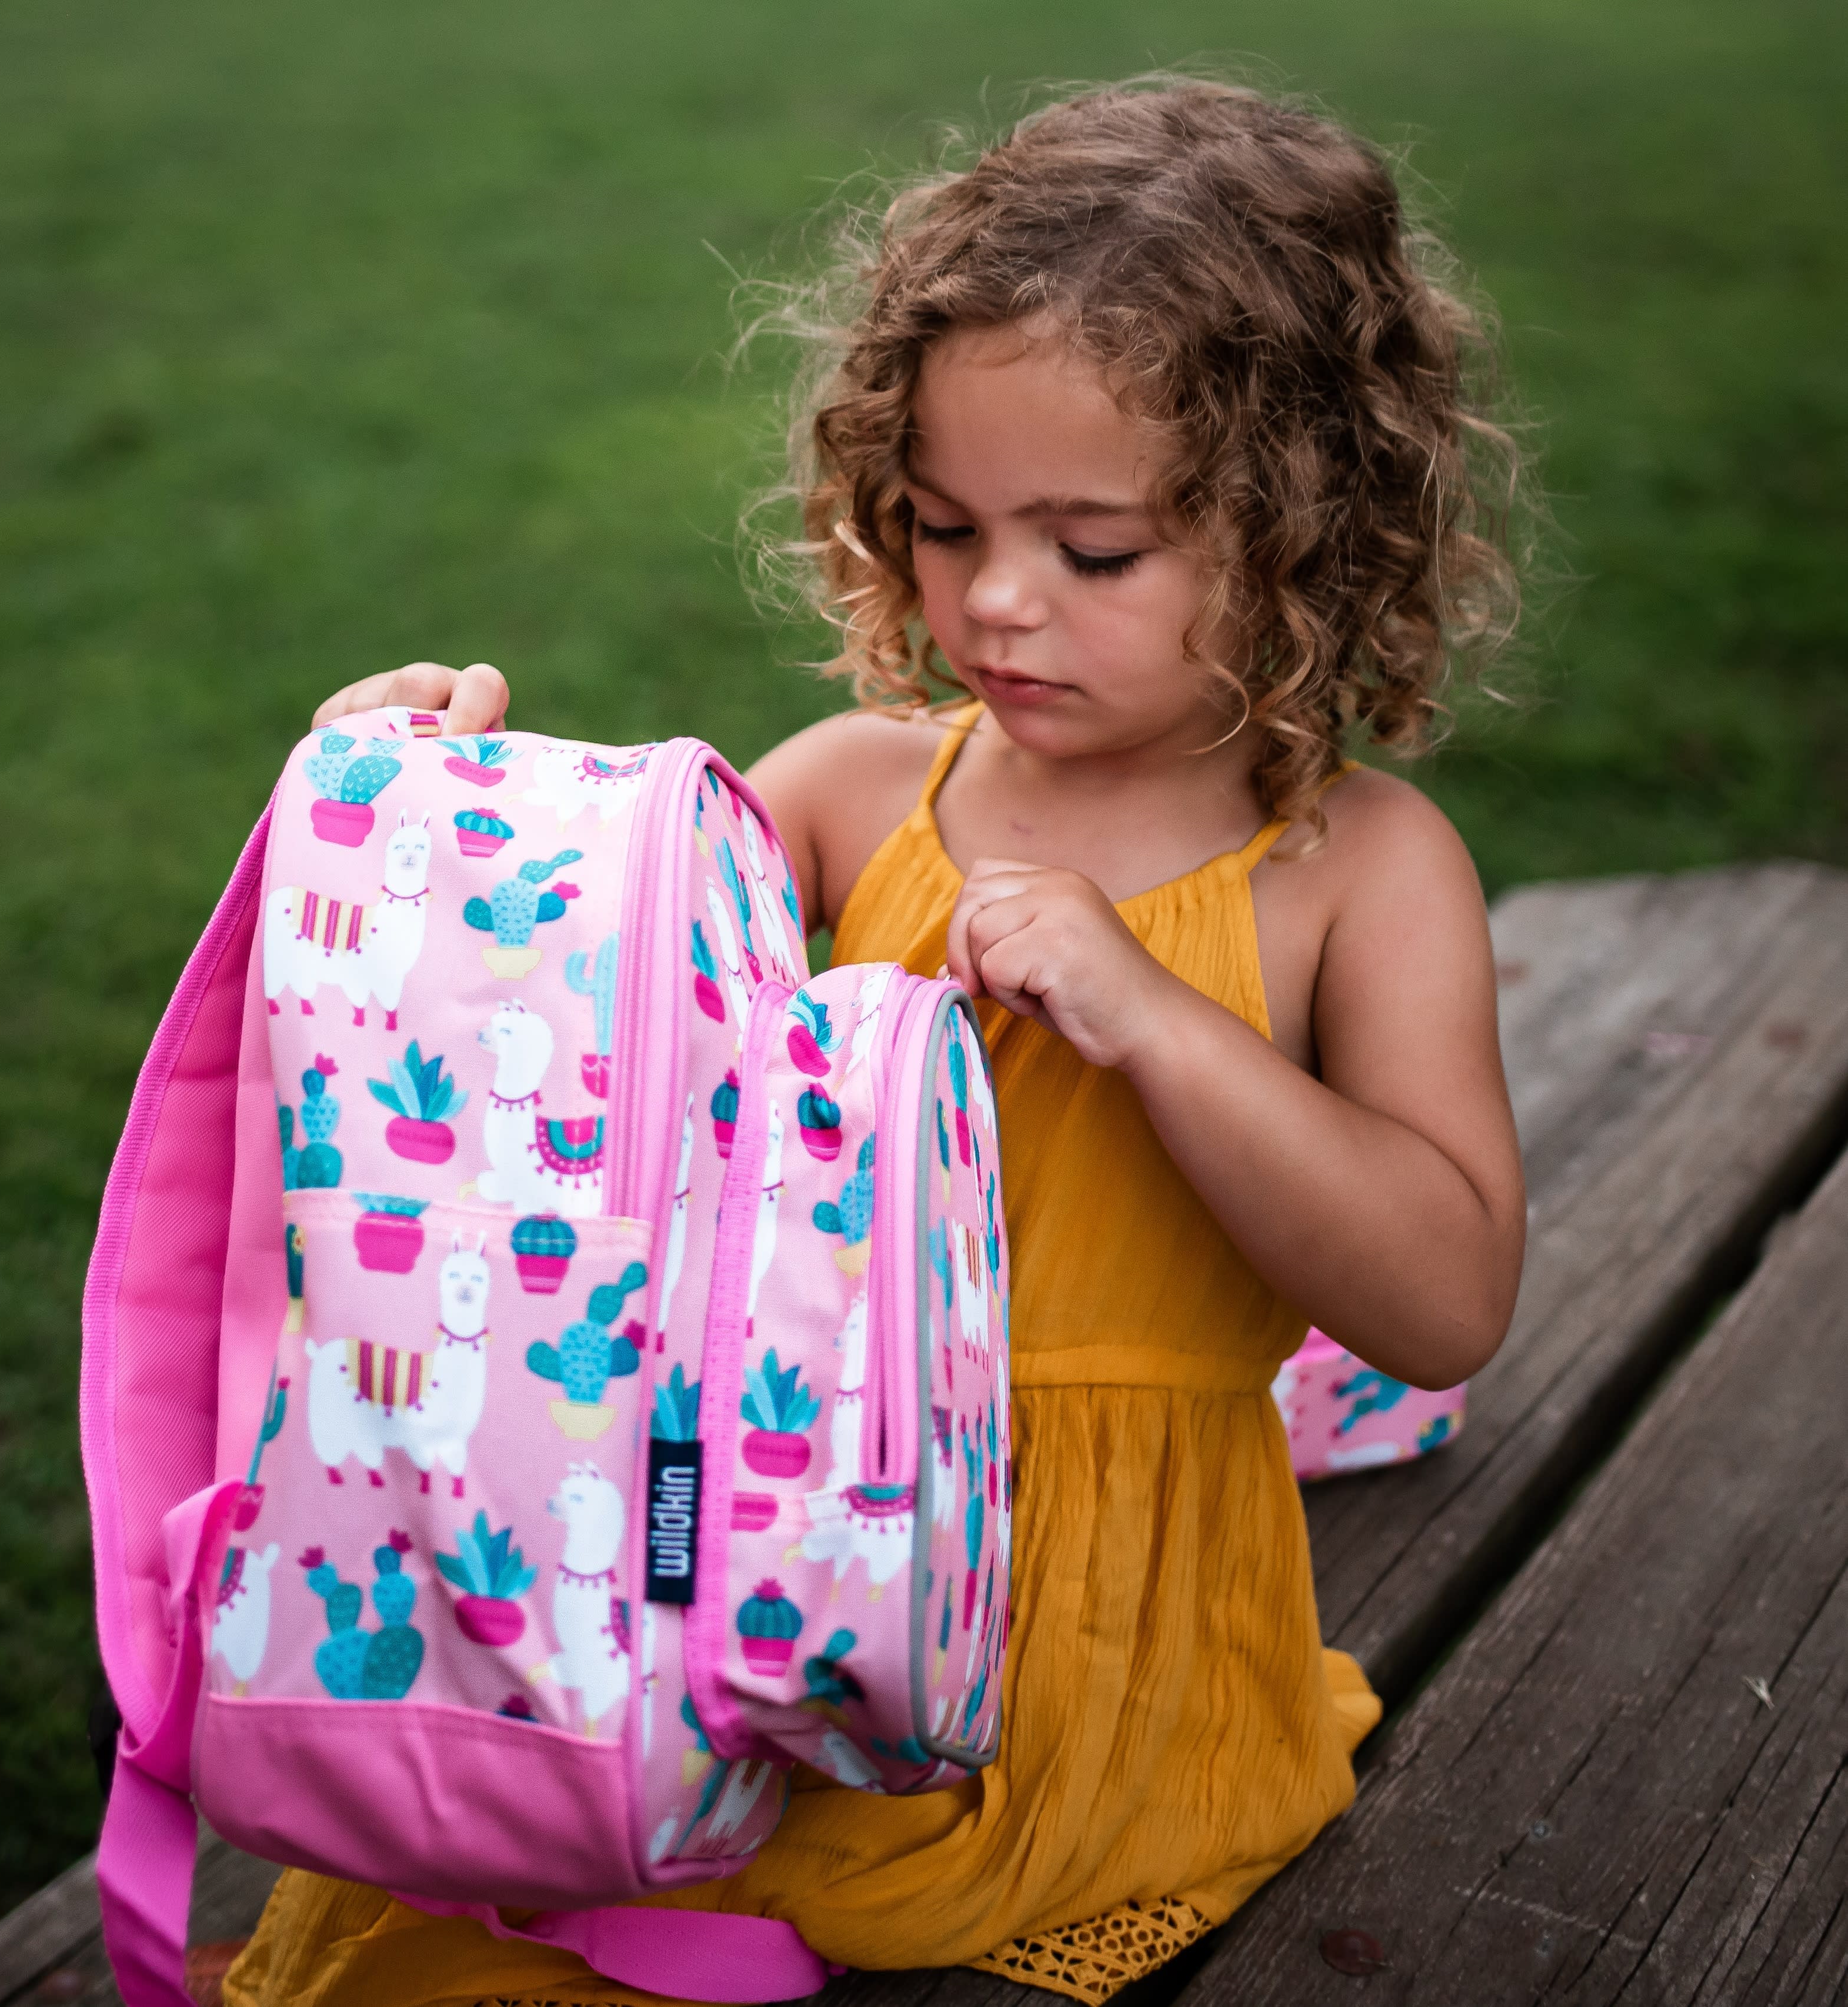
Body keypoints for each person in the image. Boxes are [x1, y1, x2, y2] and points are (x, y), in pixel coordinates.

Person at [224, 74, 1528, 2007]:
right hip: (753, 1539)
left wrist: (1151, 1017)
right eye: (942, 526)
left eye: (1095, 552)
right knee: (499, 1905)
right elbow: (572, 1067)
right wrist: (428, 812)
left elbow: (1445, 1301)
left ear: (1302, 534)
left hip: (1080, 1644)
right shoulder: (852, 794)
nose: (998, 600)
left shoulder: (1360, 873)